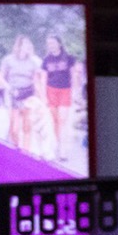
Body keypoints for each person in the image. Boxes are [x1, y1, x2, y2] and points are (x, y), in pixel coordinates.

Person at [39, 35, 79, 164]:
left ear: (59, 44)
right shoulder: (46, 60)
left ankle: (63, 151)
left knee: (63, 120)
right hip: (51, 91)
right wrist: (43, 96)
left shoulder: (69, 58)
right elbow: (44, 78)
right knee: (54, 121)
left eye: (53, 43)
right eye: (49, 43)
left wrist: (75, 92)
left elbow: (74, 75)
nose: (51, 45)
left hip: (65, 90)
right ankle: (55, 147)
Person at [0, 35, 41, 153]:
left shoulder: (33, 62)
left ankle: (26, 153)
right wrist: (9, 88)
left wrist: (40, 99)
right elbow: (1, 77)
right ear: (19, 46)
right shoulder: (8, 60)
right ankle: (16, 148)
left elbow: (36, 81)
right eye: (25, 45)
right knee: (14, 129)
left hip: (28, 94)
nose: (27, 47)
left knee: (27, 126)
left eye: (29, 45)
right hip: (13, 94)